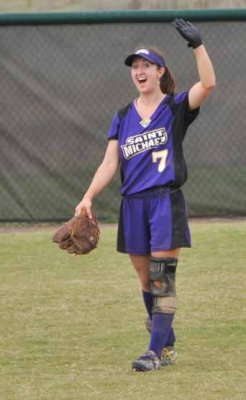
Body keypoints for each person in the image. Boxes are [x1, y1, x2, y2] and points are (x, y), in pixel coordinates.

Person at [75, 19, 216, 372]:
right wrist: (88, 197)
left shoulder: (174, 108)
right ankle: (166, 343)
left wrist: (197, 46)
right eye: (135, 67)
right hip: (133, 205)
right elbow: (110, 162)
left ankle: (154, 352)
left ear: (159, 72)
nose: (139, 71)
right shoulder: (122, 116)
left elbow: (209, 84)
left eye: (146, 66)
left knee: (161, 276)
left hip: (165, 201)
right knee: (145, 279)